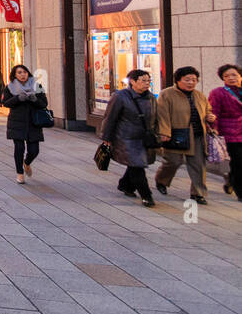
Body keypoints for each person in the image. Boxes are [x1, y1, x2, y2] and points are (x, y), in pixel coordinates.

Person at [155, 66, 217, 205]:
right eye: (187, 79)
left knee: (198, 166)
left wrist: (210, 116)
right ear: (178, 80)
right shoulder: (167, 94)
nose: (191, 82)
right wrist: (165, 132)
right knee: (173, 162)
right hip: (176, 135)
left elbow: (207, 109)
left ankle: (198, 193)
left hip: (197, 136)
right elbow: (162, 114)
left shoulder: (199, 95)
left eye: (194, 80)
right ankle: (161, 181)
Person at [101, 69, 159, 207]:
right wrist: (106, 137)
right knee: (137, 165)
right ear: (132, 81)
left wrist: (158, 133)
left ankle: (125, 185)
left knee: (135, 164)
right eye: (143, 80)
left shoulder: (150, 97)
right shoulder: (120, 96)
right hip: (126, 138)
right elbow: (110, 118)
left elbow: (155, 117)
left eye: (149, 81)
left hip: (144, 137)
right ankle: (147, 195)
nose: (147, 84)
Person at [3, 65, 47, 184]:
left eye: (25, 72)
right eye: (19, 72)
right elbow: (5, 103)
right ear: (15, 75)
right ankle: (20, 173)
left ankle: (26, 163)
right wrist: (17, 99)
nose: (23, 75)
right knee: (19, 148)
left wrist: (35, 100)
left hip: (34, 123)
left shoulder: (37, 86)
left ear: (28, 74)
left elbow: (44, 103)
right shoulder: (10, 87)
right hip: (17, 122)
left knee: (34, 150)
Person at [209, 64, 242, 200]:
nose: (231, 78)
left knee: (238, 162)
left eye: (234, 75)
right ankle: (240, 191)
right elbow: (214, 112)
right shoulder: (218, 93)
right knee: (239, 161)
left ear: (240, 76)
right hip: (230, 133)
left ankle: (230, 179)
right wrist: (214, 128)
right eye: (226, 76)